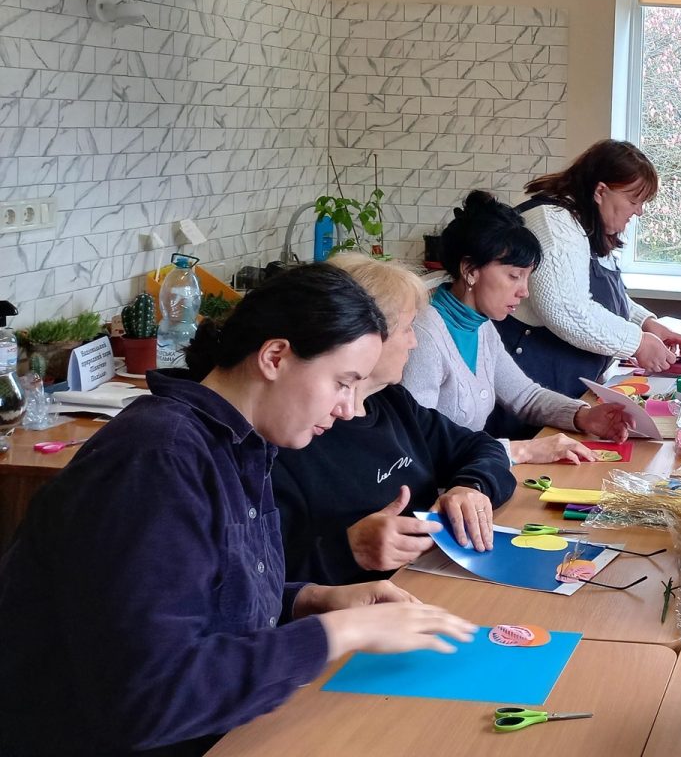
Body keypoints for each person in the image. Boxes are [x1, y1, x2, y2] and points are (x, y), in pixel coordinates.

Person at [0, 265, 476, 757]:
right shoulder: (158, 460)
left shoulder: (240, 444)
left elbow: (204, 596)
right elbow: (149, 697)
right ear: (274, 357)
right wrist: (339, 632)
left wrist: (311, 600)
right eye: (342, 382)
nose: (347, 408)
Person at [275, 254, 525, 587]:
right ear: (362, 336)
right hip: (365, 605)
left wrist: (471, 487)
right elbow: (268, 576)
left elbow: (482, 447)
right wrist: (347, 551)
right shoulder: (294, 434)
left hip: (433, 581)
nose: (414, 341)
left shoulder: (392, 402)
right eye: (407, 329)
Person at [401, 190, 630, 443]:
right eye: (514, 276)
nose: (524, 291)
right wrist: (519, 451)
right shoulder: (423, 334)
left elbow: (525, 396)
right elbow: (416, 441)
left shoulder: (482, 327)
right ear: (470, 270)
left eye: (526, 277)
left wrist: (584, 416)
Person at [499, 139, 681, 395]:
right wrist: (638, 343)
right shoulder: (554, 224)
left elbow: (602, 296)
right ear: (601, 191)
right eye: (634, 201)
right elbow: (567, 310)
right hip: (529, 389)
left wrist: (645, 323)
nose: (639, 212)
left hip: (567, 388)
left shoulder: (585, 223)